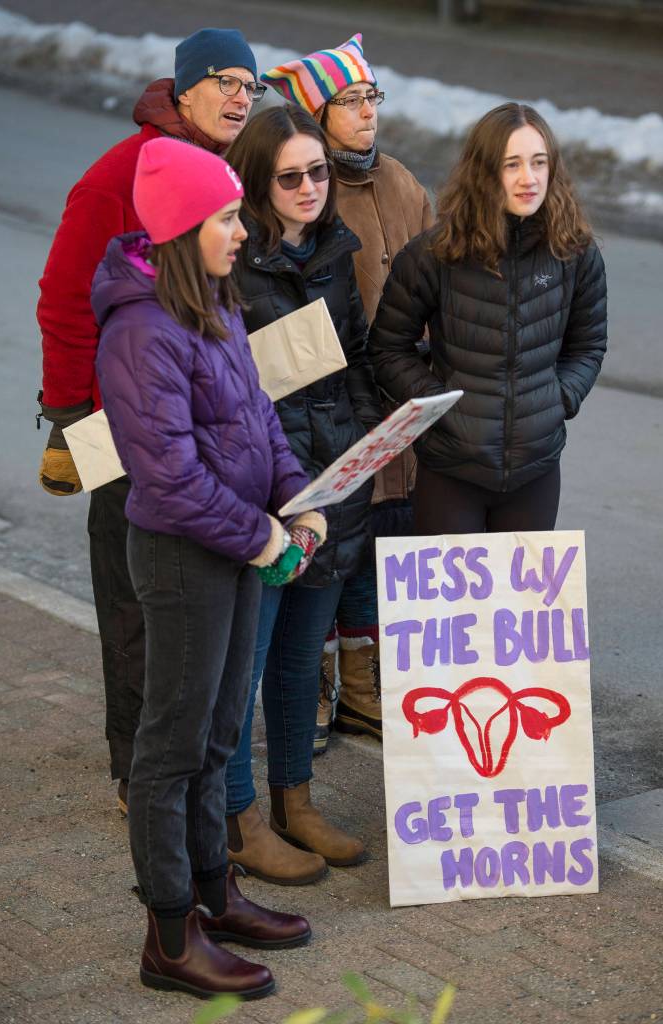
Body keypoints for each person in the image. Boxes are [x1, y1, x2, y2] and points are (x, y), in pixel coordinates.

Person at [93, 136, 325, 998]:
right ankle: (168, 935)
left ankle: (213, 892)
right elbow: (170, 475)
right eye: (228, 216)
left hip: (234, 544)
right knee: (172, 747)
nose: (242, 230)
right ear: (186, 226)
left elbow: (257, 418)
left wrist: (297, 495)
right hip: (184, 555)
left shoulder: (214, 302)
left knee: (220, 731)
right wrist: (262, 537)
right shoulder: (140, 329)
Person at [36, 27, 266, 812]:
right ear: (184, 89)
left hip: (202, 419)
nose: (241, 98)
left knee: (198, 605)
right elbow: (65, 296)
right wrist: (69, 416)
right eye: (225, 82)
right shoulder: (122, 173)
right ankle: (138, 771)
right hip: (121, 425)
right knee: (134, 601)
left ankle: (190, 772)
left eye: (251, 86)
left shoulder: (220, 168)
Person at [221, 105, 382, 885]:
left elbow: (350, 364)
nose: (311, 186)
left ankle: (297, 800)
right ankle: (237, 817)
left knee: (296, 663)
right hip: (263, 497)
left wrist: (367, 446)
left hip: (334, 485)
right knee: (241, 670)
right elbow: (223, 392)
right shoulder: (229, 261)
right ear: (257, 182)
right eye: (291, 176)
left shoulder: (336, 250)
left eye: (318, 171)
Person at [263, 33, 434, 751]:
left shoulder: (398, 181)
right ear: (315, 113)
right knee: (326, 552)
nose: (367, 112)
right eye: (349, 100)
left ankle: (362, 688)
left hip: (396, 391)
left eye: (371, 97)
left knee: (375, 543)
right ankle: (318, 687)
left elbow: (435, 268)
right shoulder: (305, 187)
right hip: (326, 401)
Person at [369, 102, 607, 534]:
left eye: (539, 162)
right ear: (484, 170)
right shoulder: (433, 254)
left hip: (536, 471)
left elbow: (588, 345)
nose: (528, 178)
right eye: (511, 164)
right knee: (451, 608)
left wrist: (560, 399)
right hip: (451, 472)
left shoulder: (575, 252)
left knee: (522, 605)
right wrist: (437, 405)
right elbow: (387, 348)